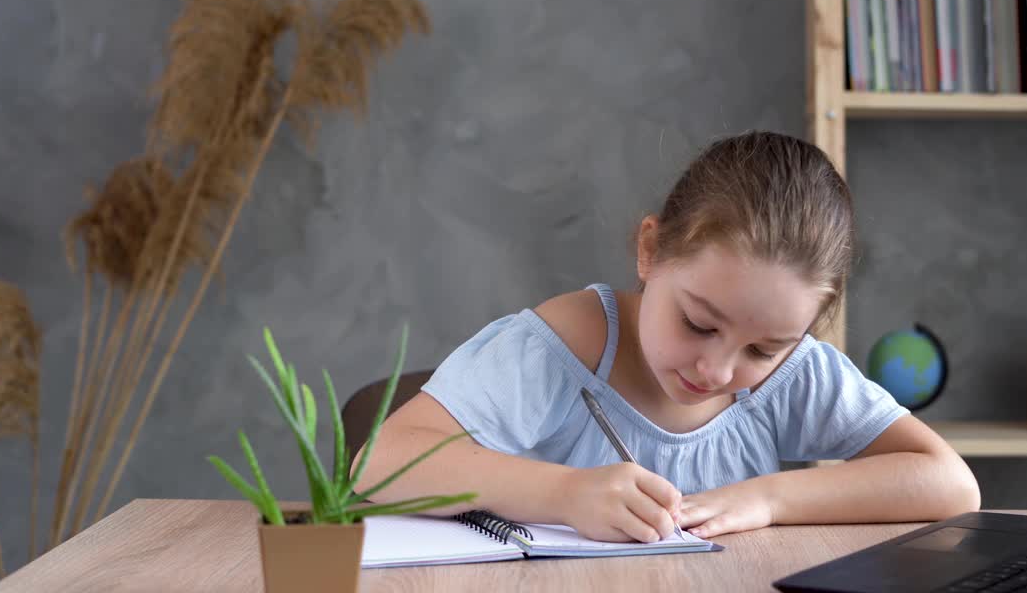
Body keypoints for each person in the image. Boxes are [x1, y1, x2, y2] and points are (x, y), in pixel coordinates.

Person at [355, 130, 980, 543]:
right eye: (699, 324)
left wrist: (771, 498)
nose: (716, 369)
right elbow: (377, 467)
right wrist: (565, 494)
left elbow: (950, 484)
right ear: (650, 251)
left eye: (763, 349)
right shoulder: (558, 347)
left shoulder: (796, 372)